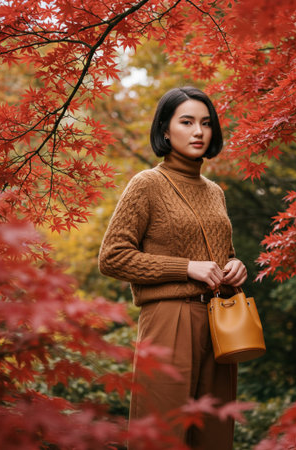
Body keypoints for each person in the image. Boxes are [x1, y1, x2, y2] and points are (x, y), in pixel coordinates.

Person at [98, 86, 247, 449]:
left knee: (214, 435)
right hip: (168, 321)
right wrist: (185, 268)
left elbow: (220, 253)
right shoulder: (147, 184)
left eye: (206, 123)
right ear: (165, 129)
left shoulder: (215, 191)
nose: (199, 131)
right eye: (187, 122)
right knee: (161, 435)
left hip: (219, 323)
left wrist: (235, 267)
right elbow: (112, 257)